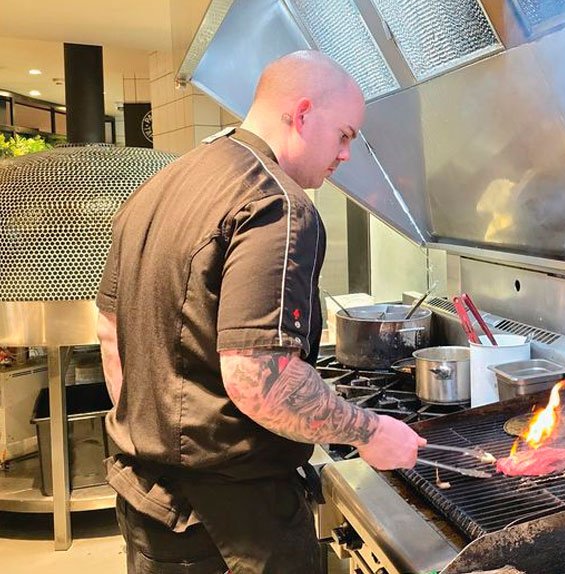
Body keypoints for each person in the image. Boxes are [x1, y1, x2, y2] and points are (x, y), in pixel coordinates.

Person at [96, 51, 426, 574]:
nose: (345, 154)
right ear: (301, 114)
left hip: (149, 506)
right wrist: (369, 432)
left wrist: (163, 431)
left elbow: (112, 334)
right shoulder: (276, 203)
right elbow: (258, 378)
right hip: (234, 526)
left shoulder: (160, 186)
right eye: (343, 135)